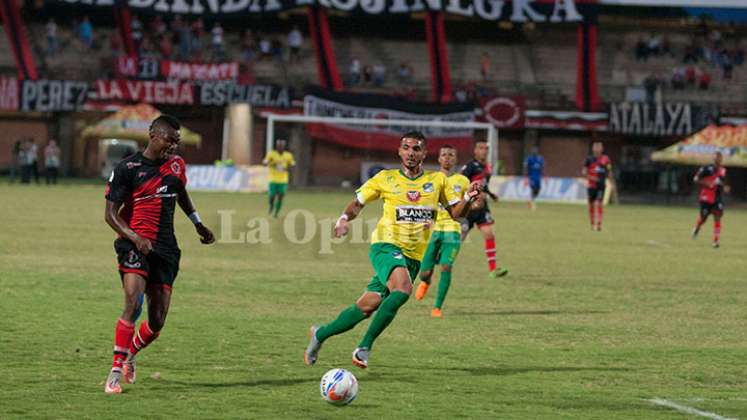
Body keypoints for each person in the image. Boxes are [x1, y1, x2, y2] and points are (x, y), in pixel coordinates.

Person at [304, 131, 479, 369]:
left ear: (424, 153)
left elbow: (456, 214)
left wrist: (468, 197)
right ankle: (363, 347)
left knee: (366, 307)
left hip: (413, 257)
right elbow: (358, 203)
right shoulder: (385, 178)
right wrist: (344, 219)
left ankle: (320, 335)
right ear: (399, 151)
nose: (410, 153)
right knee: (403, 289)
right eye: (406, 148)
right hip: (386, 245)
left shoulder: (438, 181)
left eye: (416, 149)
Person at [103, 115, 215, 394]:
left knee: (157, 320)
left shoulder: (176, 166)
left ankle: (130, 354)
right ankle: (114, 373)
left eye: (176, 142)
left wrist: (198, 223)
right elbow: (110, 215)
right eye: (169, 140)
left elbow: (181, 193)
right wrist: (135, 237)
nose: (173, 147)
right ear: (153, 135)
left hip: (165, 249)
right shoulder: (128, 168)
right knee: (133, 301)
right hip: (134, 244)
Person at [414, 145, 471, 318]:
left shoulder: (463, 181)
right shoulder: (430, 178)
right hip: (431, 230)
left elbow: (466, 206)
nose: (447, 158)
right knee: (424, 272)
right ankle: (425, 282)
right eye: (444, 155)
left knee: (446, 266)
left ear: (455, 159)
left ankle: (437, 307)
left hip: (453, 229)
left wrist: (474, 202)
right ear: (438, 159)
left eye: (451, 155)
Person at [461, 140, 508, 278]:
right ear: (475, 151)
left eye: (486, 148)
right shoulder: (469, 166)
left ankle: (493, 269)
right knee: (458, 239)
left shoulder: (487, 167)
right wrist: (469, 199)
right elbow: (460, 184)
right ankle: (440, 258)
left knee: (489, 233)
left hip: (482, 208)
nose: (484, 151)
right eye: (480, 148)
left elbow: (484, 184)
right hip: (469, 208)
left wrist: (491, 195)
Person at [692, 151, 729, 248]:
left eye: (719, 157)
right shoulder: (706, 168)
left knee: (717, 217)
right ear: (713, 158)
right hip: (706, 197)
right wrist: (707, 183)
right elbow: (696, 179)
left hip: (717, 198)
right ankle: (697, 227)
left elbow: (721, 182)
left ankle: (715, 241)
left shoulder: (723, 170)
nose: (718, 159)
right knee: (704, 218)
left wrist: (725, 187)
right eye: (716, 157)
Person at [582, 141, 613, 232]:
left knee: (599, 203)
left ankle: (599, 223)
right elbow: (583, 172)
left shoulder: (606, 159)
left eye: (599, 147)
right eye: (595, 147)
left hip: (601, 185)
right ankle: (592, 224)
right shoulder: (589, 159)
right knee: (591, 204)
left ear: (602, 149)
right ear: (593, 149)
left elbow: (609, 171)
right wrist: (591, 177)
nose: (597, 149)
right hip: (591, 185)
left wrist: (611, 182)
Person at [262, 139, 296, 218]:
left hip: (283, 179)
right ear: (276, 146)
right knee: (272, 196)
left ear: (284, 147)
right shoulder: (271, 154)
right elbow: (264, 162)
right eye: (279, 146)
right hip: (273, 179)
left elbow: (292, 165)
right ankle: (271, 205)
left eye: (282, 146)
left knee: (281, 196)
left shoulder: (288, 155)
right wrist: (268, 163)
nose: (280, 147)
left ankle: (276, 213)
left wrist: (287, 169)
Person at [523, 146, 545, 211]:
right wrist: (526, 177)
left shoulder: (540, 159)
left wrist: (545, 176)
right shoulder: (529, 159)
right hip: (531, 177)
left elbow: (542, 168)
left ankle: (531, 200)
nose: (534, 152)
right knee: (533, 188)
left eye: (535, 151)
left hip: (538, 177)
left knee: (538, 189)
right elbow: (526, 168)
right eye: (533, 151)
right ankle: (532, 204)